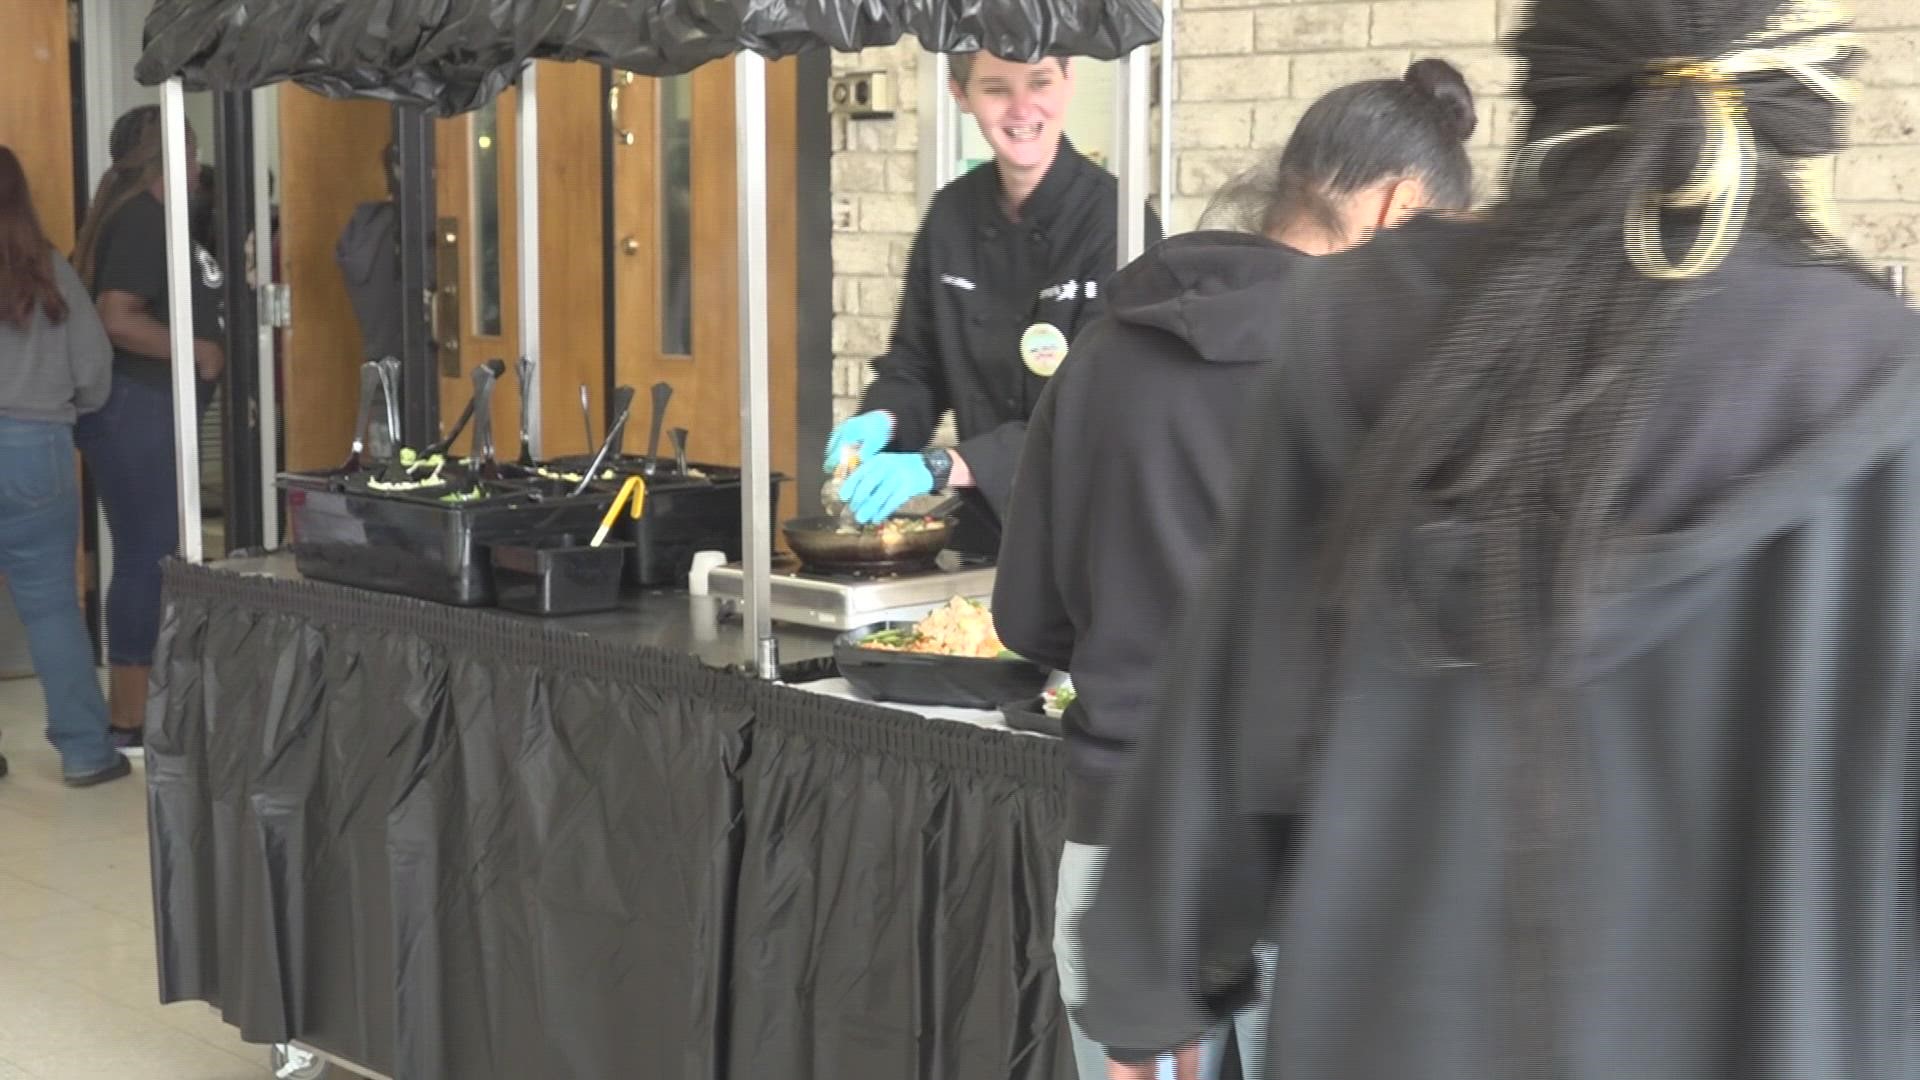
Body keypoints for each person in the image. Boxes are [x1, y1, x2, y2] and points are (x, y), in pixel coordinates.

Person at [1076, 1, 1920, 1076]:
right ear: (1804, 110)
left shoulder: (1353, 327)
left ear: (1548, 81)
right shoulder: (1886, 392)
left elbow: (1242, 707)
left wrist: (1153, 984)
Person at [992, 60, 1479, 1080]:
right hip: (1314, 867)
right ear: (1394, 209)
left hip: (1120, 857)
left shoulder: (1102, 353)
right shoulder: (1384, 381)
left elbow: (1027, 617)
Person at [825, 50, 1160, 555]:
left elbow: (1100, 409)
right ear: (960, 95)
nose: (1022, 109)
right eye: (997, 89)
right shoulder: (951, 213)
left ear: (1069, 81)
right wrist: (883, 420)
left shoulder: (1120, 225)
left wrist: (942, 466)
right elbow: (916, 364)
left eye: (1040, 83)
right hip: (992, 527)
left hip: (1098, 534)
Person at [71, 105, 226, 753]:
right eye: (190, 155)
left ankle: (150, 710)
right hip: (137, 408)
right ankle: (129, 721)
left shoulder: (158, 218)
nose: (198, 169)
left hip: (150, 408)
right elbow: (117, 317)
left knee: (153, 552)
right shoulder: (141, 220)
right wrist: (194, 349)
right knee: (147, 554)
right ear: (170, 158)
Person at [0, 146, 132, 786]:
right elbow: (94, 370)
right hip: (36, 448)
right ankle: (84, 751)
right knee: (51, 606)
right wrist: (68, 408)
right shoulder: (49, 271)